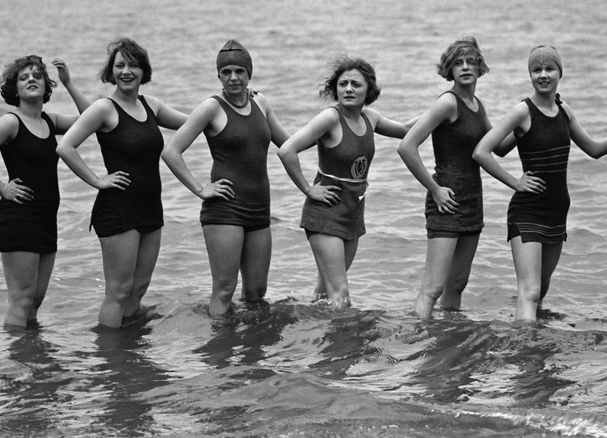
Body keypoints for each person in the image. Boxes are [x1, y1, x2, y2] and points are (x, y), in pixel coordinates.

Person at [472, 45, 607, 321]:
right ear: (530, 75)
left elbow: (594, 149)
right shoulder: (522, 111)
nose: (543, 75)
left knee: (542, 290)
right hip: (527, 211)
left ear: (560, 72)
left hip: (557, 212)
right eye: (536, 70)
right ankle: (525, 350)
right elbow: (481, 151)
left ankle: (533, 351)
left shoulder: (564, 111)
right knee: (531, 291)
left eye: (549, 68)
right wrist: (516, 182)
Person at [56, 38, 188, 328]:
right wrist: (97, 181)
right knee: (118, 292)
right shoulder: (104, 108)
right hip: (117, 210)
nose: (126, 71)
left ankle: (125, 363)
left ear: (144, 71)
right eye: (120, 65)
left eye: (133, 65)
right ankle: (108, 357)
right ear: (111, 71)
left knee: (138, 290)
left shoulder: (150, 105)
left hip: (151, 208)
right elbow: (65, 147)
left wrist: (231, 98)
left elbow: (194, 122)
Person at [161, 39, 289, 316]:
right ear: (218, 75)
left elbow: (288, 144)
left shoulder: (261, 102)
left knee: (257, 291)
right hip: (225, 210)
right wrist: (199, 189)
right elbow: (171, 151)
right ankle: (220, 352)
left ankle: (253, 352)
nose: (233, 77)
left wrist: (333, 125)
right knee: (224, 289)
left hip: (259, 209)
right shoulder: (211, 108)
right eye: (226, 72)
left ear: (249, 73)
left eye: (240, 71)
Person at [278, 56, 416, 310]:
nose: (348, 89)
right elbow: (287, 150)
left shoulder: (370, 118)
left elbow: (407, 130)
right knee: (340, 294)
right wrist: (308, 189)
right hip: (325, 212)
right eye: (343, 84)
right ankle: (345, 348)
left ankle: (314, 338)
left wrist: (442, 107)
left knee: (324, 294)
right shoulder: (330, 118)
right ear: (335, 89)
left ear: (369, 90)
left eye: (356, 84)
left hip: (353, 212)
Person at [0, 55, 90, 328]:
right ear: (15, 89)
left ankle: (31, 361)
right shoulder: (10, 122)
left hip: (46, 219)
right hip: (18, 219)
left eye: (37, 75)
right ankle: (16, 363)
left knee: (35, 300)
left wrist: (68, 83)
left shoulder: (50, 121)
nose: (31, 79)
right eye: (23, 77)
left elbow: (91, 119)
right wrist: (2, 188)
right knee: (21, 300)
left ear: (46, 85)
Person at [398, 37, 515, 319]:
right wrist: (435, 188)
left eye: (471, 62)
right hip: (445, 203)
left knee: (458, 284)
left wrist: (526, 121)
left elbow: (498, 147)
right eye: (457, 63)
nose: (465, 67)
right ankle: (420, 344)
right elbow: (406, 146)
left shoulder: (476, 104)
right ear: (449, 70)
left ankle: (448, 341)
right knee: (433, 287)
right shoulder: (448, 103)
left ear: (480, 68)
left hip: (472, 202)